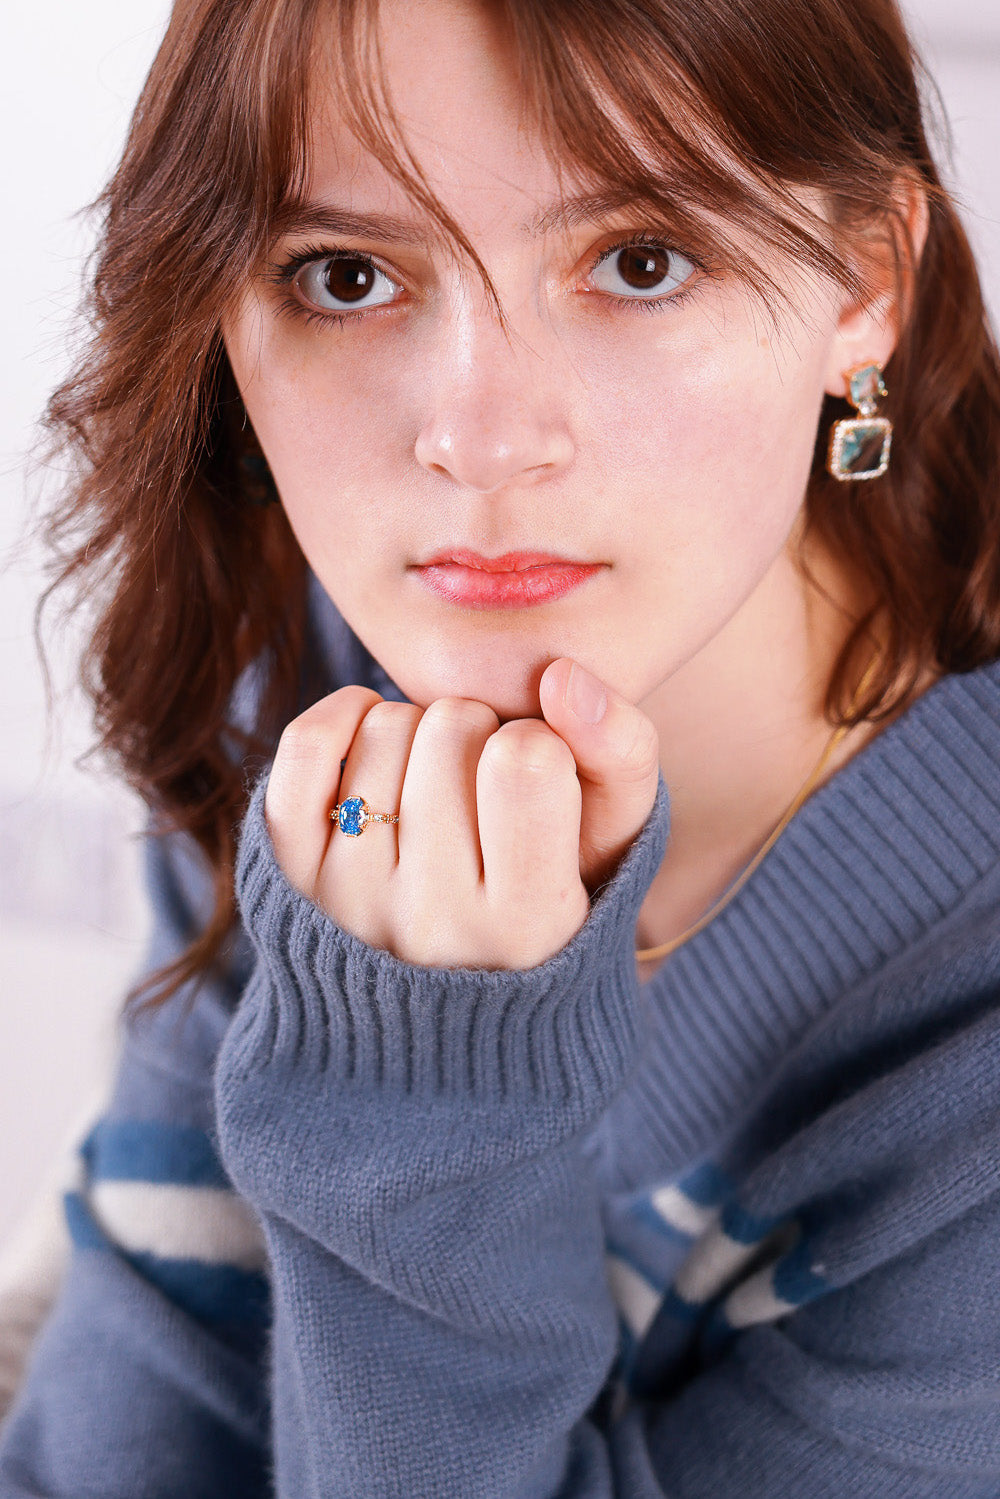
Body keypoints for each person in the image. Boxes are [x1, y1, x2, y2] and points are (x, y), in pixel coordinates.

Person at [2, 0, 999, 1492]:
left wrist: (425, 1090)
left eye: (640, 263)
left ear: (868, 278)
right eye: (346, 277)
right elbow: (117, 1445)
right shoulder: (318, 710)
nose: (479, 437)